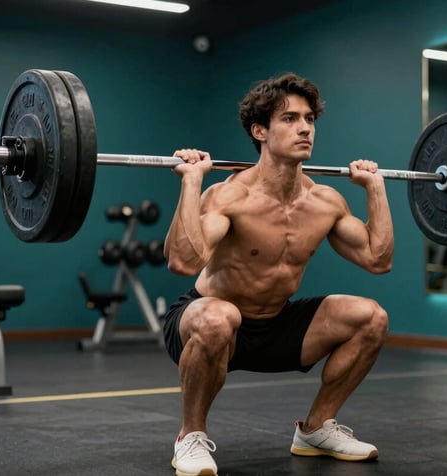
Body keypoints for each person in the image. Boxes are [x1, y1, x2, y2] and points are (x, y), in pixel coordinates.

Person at [162, 72, 394, 476]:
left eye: (309, 119)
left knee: (371, 317)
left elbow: (378, 260)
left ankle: (316, 429)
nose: (304, 127)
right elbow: (183, 261)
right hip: (209, 321)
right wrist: (192, 184)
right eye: (289, 119)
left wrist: (375, 188)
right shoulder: (230, 196)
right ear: (260, 131)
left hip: (277, 324)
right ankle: (190, 436)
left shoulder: (325, 200)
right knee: (220, 317)